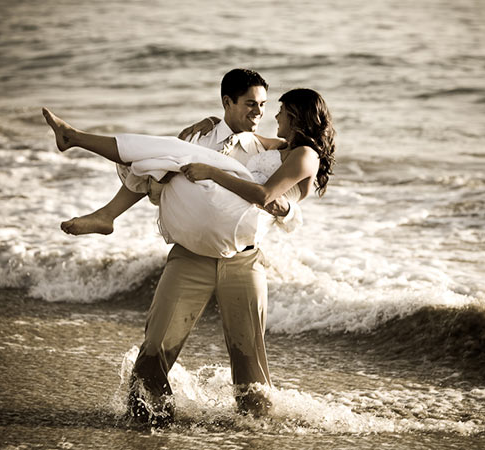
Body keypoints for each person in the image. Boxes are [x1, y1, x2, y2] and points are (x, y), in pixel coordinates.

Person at [43, 72, 336, 425]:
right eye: (251, 104)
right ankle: (149, 422)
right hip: (190, 256)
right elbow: (170, 178)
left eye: (270, 107)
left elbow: (272, 197)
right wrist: (197, 141)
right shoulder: (211, 136)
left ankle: (256, 431)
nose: (265, 114)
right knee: (155, 347)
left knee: (248, 358)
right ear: (227, 102)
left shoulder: (285, 151)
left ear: (297, 116)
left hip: (243, 260)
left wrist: (219, 174)